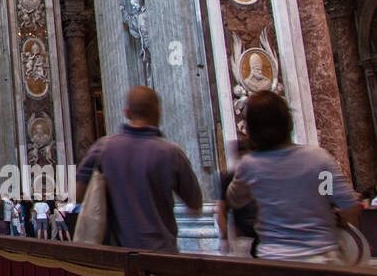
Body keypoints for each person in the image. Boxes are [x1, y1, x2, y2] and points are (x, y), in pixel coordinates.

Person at [226, 91, 361, 263]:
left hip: (274, 261)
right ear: (288, 122)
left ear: (250, 129)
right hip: (321, 260)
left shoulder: (250, 166)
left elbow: (234, 199)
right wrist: (337, 218)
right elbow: (349, 206)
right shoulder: (319, 159)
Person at [75, 85, 203, 252]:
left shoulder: (103, 149)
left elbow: (77, 195)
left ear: (126, 113)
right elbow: (195, 204)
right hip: (161, 255)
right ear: (158, 111)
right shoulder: (172, 154)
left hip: (118, 257)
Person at [216, 137, 257, 257]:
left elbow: (222, 211)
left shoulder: (258, 173)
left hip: (256, 237)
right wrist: (224, 238)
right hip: (245, 238)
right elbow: (222, 211)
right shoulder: (230, 177)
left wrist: (224, 238)